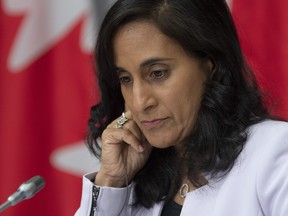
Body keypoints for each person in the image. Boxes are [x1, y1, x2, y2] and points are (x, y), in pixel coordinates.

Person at [75, 0, 288, 215]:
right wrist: (111, 181)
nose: (139, 103)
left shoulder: (275, 152)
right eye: (126, 79)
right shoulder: (134, 177)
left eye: (158, 73)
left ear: (210, 65)